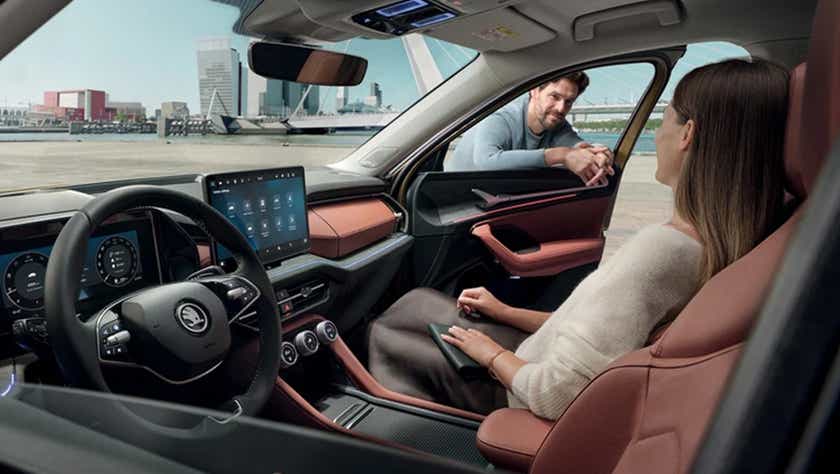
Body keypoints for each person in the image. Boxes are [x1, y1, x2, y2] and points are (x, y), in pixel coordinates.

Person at [368, 58, 789, 420]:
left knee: (387, 329)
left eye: (665, 118)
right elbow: (601, 334)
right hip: (540, 356)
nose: (658, 133)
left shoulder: (662, 251)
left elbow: (556, 392)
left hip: (519, 391)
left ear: (687, 134)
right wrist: (507, 311)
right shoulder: (742, 242)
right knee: (416, 304)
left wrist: (491, 355)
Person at [445, 72, 615, 186]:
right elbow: (486, 160)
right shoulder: (501, 117)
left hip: (498, 198)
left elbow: (578, 147)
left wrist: (600, 154)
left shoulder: (556, 123)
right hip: (457, 202)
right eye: (555, 97)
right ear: (534, 91)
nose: (561, 108)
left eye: (569, 101)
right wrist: (561, 155)